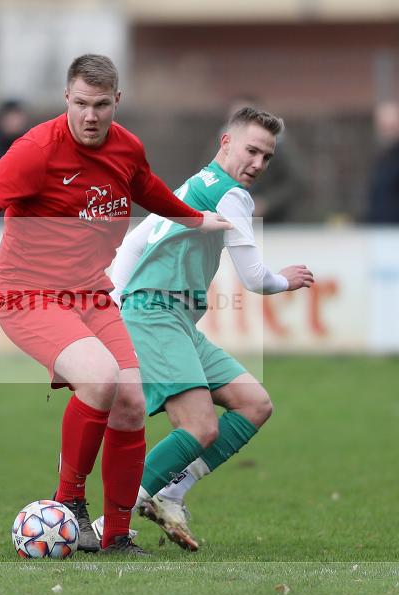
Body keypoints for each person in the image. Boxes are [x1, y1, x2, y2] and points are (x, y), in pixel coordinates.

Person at [0, 54, 231, 554]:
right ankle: (70, 505)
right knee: (100, 377)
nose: (90, 116)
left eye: (101, 105)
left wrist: (195, 220)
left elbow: (148, 189)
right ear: (67, 99)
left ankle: (118, 537)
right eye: (81, 103)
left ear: (116, 102)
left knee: (129, 401)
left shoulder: (127, 148)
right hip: (26, 295)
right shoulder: (36, 150)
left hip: (91, 295)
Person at [110, 107, 314, 550]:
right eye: (252, 151)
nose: (258, 164)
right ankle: (118, 524)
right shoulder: (232, 196)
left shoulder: (192, 185)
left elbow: (132, 242)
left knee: (254, 404)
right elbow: (254, 276)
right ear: (226, 143)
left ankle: (170, 493)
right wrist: (285, 280)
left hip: (172, 318)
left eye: (267, 157)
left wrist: (114, 301)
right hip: (156, 314)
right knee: (202, 426)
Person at [211, 95, 306, 223]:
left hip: (274, 223)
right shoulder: (222, 143)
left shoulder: (278, 145)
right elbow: (208, 176)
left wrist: (266, 203)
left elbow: (296, 182)